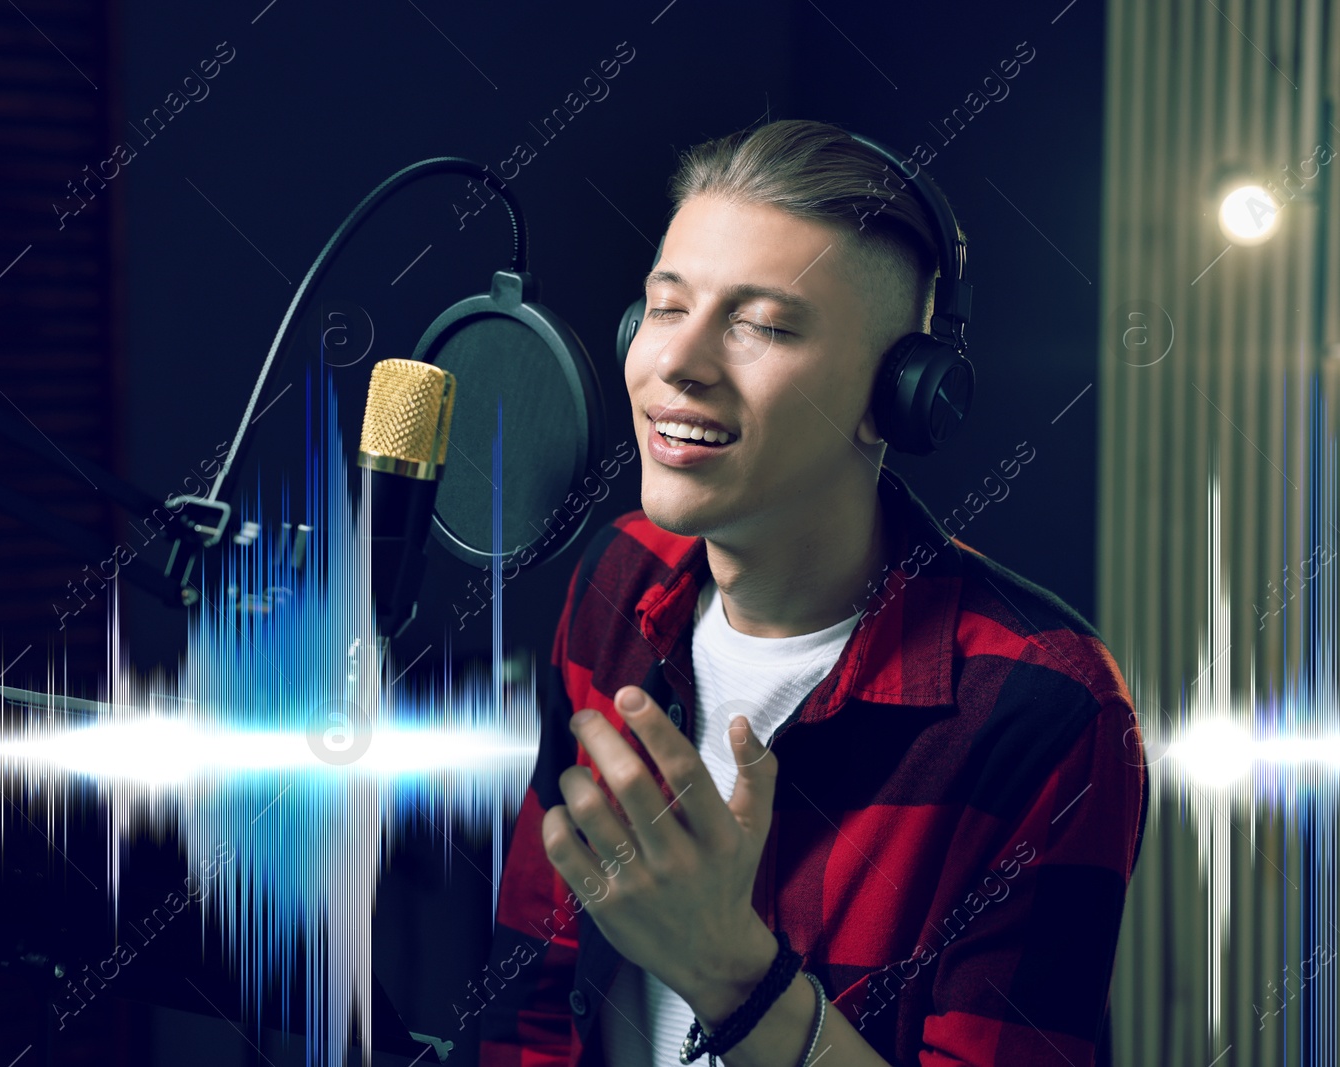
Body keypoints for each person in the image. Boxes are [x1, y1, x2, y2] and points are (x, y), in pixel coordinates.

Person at [472, 119, 1148, 1067]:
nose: (679, 363)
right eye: (666, 307)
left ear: (901, 395)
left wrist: (734, 977)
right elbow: (527, 1004)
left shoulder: (1043, 709)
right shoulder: (618, 577)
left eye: (764, 325)